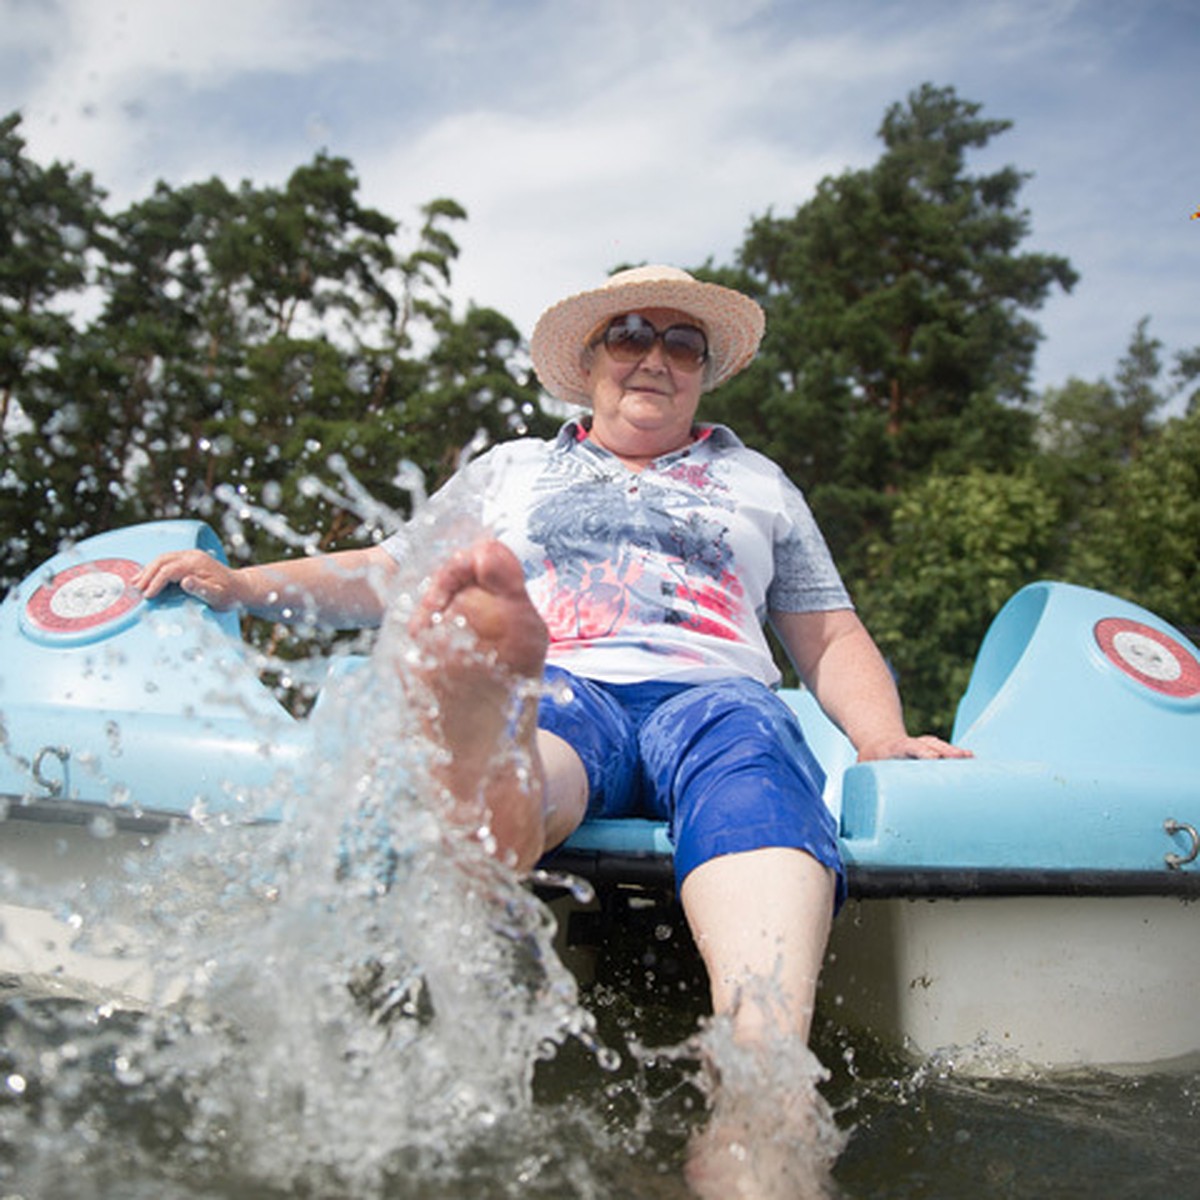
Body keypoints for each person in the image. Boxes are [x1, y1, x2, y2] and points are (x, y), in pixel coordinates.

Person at [134, 264, 968, 1137]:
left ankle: (762, 1081)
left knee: (757, 766)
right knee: (542, 732)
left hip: (715, 692)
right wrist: (241, 584)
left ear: (704, 371)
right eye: (631, 335)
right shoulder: (513, 471)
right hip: (568, 683)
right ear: (591, 359)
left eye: (683, 343)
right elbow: (389, 570)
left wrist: (881, 739)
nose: (657, 357)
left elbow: (828, 633)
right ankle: (480, 757)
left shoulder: (761, 482)